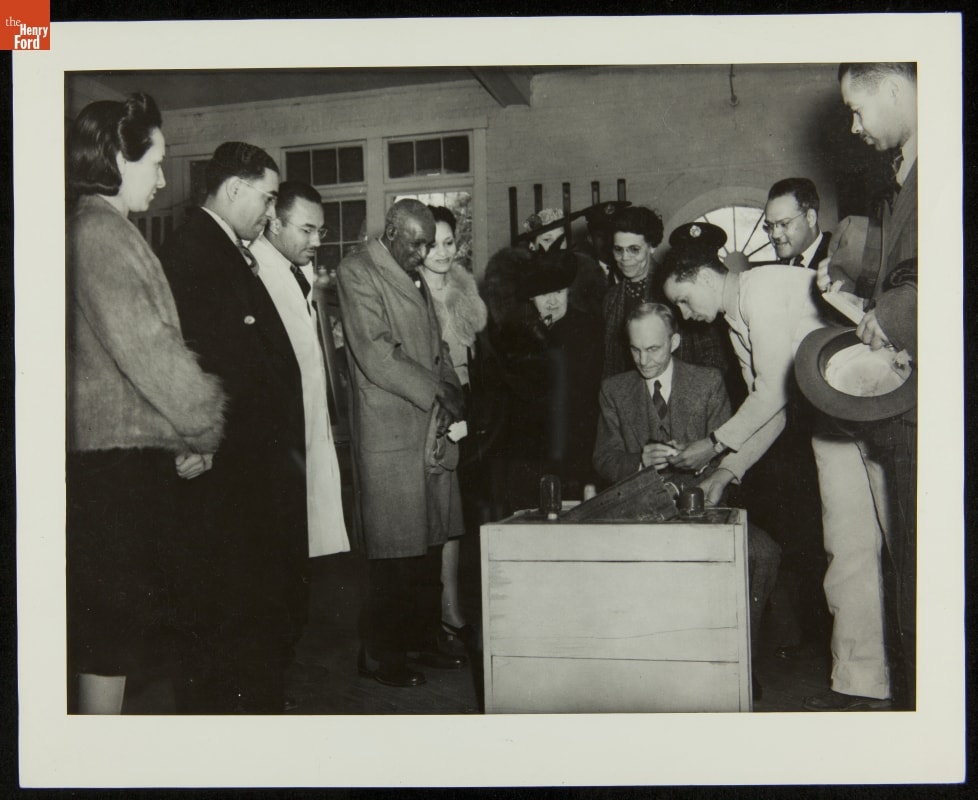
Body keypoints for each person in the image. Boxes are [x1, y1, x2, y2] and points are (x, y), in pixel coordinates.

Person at [66, 93, 225, 713]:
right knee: (111, 642)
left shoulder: (107, 228)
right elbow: (148, 352)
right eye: (154, 162)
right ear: (114, 157)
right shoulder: (100, 234)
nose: (163, 179)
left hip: (126, 460)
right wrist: (203, 427)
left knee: (119, 639)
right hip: (115, 471)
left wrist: (180, 437)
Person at [160, 141, 307, 713]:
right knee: (227, 615)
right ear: (236, 189)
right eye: (268, 198)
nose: (271, 212)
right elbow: (199, 359)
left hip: (248, 466)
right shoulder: (195, 249)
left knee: (246, 612)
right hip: (230, 469)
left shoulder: (223, 248)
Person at [803, 62, 918, 711]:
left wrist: (886, 316)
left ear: (895, 90)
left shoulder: (928, 173)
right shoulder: (900, 179)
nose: (853, 125)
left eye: (857, 108)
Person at [592, 302, 781, 676]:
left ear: (675, 341)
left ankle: (742, 665)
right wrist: (639, 460)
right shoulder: (614, 390)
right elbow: (602, 458)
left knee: (762, 553)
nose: (643, 360)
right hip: (639, 512)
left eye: (653, 349)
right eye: (635, 349)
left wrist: (700, 459)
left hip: (704, 507)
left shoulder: (708, 382)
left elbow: (730, 452)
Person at [337, 199, 466, 688]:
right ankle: (380, 653)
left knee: (430, 542)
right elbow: (377, 354)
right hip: (390, 429)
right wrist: (440, 393)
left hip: (428, 427)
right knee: (394, 553)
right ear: (391, 231)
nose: (424, 252)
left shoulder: (410, 272)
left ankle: (421, 637)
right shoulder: (357, 271)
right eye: (416, 242)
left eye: (429, 243)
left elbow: (438, 348)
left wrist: (454, 389)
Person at [659, 222, 827, 507]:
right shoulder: (737, 321)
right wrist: (724, 473)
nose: (685, 315)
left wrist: (713, 444)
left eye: (684, 300)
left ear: (707, 278)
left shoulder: (758, 292)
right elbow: (772, 411)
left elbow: (772, 393)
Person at [250, 181, 351, 564]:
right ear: (274, 223)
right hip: (278, 432)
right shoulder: (255, 272)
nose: (317, 240)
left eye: (320, 230)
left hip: (308, 422)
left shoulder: (298, 270)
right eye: (306, 229)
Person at [484, 247, 604, 513]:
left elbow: (591, 404)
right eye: (543, 294)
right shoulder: (512, 335)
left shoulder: (589, 331)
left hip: (575, 455)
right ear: (529, 298)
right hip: (527, 457)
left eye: (559, 292)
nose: (552, 301)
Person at [417, 205, 488, 654]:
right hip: (432, 407)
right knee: (436, 514)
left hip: (469, 408)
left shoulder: (466, 290)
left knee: (459, 516)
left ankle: (452, 607)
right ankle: (440, 611)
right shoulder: (409, 291)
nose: (442, 252)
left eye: (449, 242)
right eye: (432, 243)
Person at [601, 206, 734, 384]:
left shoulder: (676, 289)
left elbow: (713, 355)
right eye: (618, 249)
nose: (625, 258)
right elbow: (611, 365)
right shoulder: (611, 298)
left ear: (652, 247)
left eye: (634, 249)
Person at [761, 178, 832, 268]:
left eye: (784, 224)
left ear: (810, 218)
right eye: (770, 225)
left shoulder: (839, 262)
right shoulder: (778, 269)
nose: (775, 235)